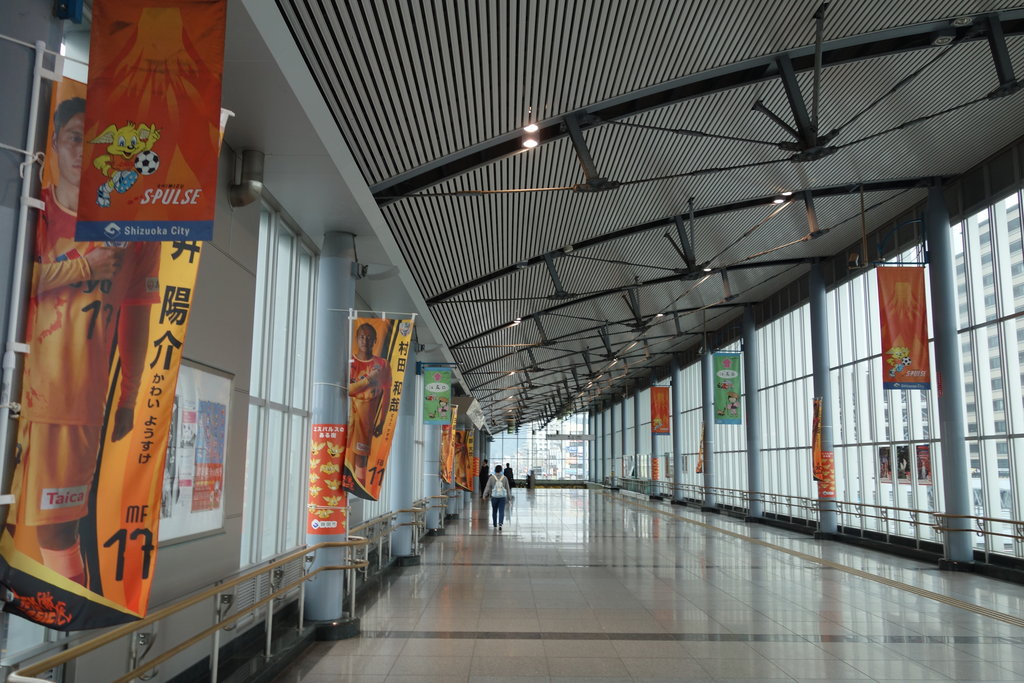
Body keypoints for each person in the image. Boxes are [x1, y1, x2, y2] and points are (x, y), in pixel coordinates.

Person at [9, 94, 160, 586]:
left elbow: (136, 317)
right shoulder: (30, 207)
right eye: (75, 137)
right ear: (55, 142)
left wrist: (129, 397)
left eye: (96, 143)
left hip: (73, 405)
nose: (83, 151)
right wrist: (82, 266)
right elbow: (15, 278)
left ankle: (65, 616)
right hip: (13, 393)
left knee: (56, 533)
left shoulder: (136, 230)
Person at [347, 322, 391, 488]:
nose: (365, 341)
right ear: (357, 339)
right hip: (348, 418)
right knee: (346, 456)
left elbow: (387, 394)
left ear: (375, 341)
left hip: (366, 422)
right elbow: (348, 390)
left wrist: (382, 421)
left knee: (361, 458)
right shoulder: (350, 362)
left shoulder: (382, 365)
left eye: (369, 338)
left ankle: (360, 488)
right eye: (362, 337)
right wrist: (368, 380)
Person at [482, 464, 510, 530]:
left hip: (494, 497)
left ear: (495, 470)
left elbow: (487, 487)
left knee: (494, 510)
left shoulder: (491, 478)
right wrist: (509, 497)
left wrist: (484, 495)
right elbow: (507, 488)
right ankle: (500, 524)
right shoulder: (505, 478)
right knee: (501, 511)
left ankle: (494, 524)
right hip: (502, 497)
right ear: (501, 470)